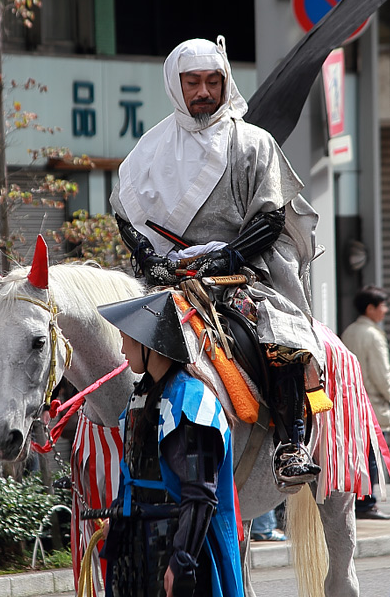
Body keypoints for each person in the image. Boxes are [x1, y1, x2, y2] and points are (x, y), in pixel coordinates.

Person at [110, 35, 323, 489]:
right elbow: (126, 216)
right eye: (193, 82)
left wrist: (227, 254)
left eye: (212, 81)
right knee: (107, 343)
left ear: (226, 83)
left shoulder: (253, 143)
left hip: (240, 273)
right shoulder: (149, 149)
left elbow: (271, 218)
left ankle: (290, 442)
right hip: (168, 277)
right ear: (176, 85)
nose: (203, 91)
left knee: (280, 332)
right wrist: (148, 257)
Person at [97, 290, 243, 597]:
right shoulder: (140, 397)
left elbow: (200, 495)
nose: (122, 348)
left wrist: (182, 561)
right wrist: (118, 513)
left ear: (149, 342)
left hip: (178, 547)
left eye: (126, 337)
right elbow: (133, 474)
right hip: (138, 546)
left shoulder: (191, 401)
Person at [341, 285, 390, 520]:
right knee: (371, 455)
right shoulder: (373, 335)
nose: (385, 310)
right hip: (372, 405)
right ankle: (367, 504)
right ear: (370, 308)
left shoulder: (349, 331)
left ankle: (361, 501)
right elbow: (384, 377)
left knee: (359, 454)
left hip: (352, 403)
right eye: (382, 305)